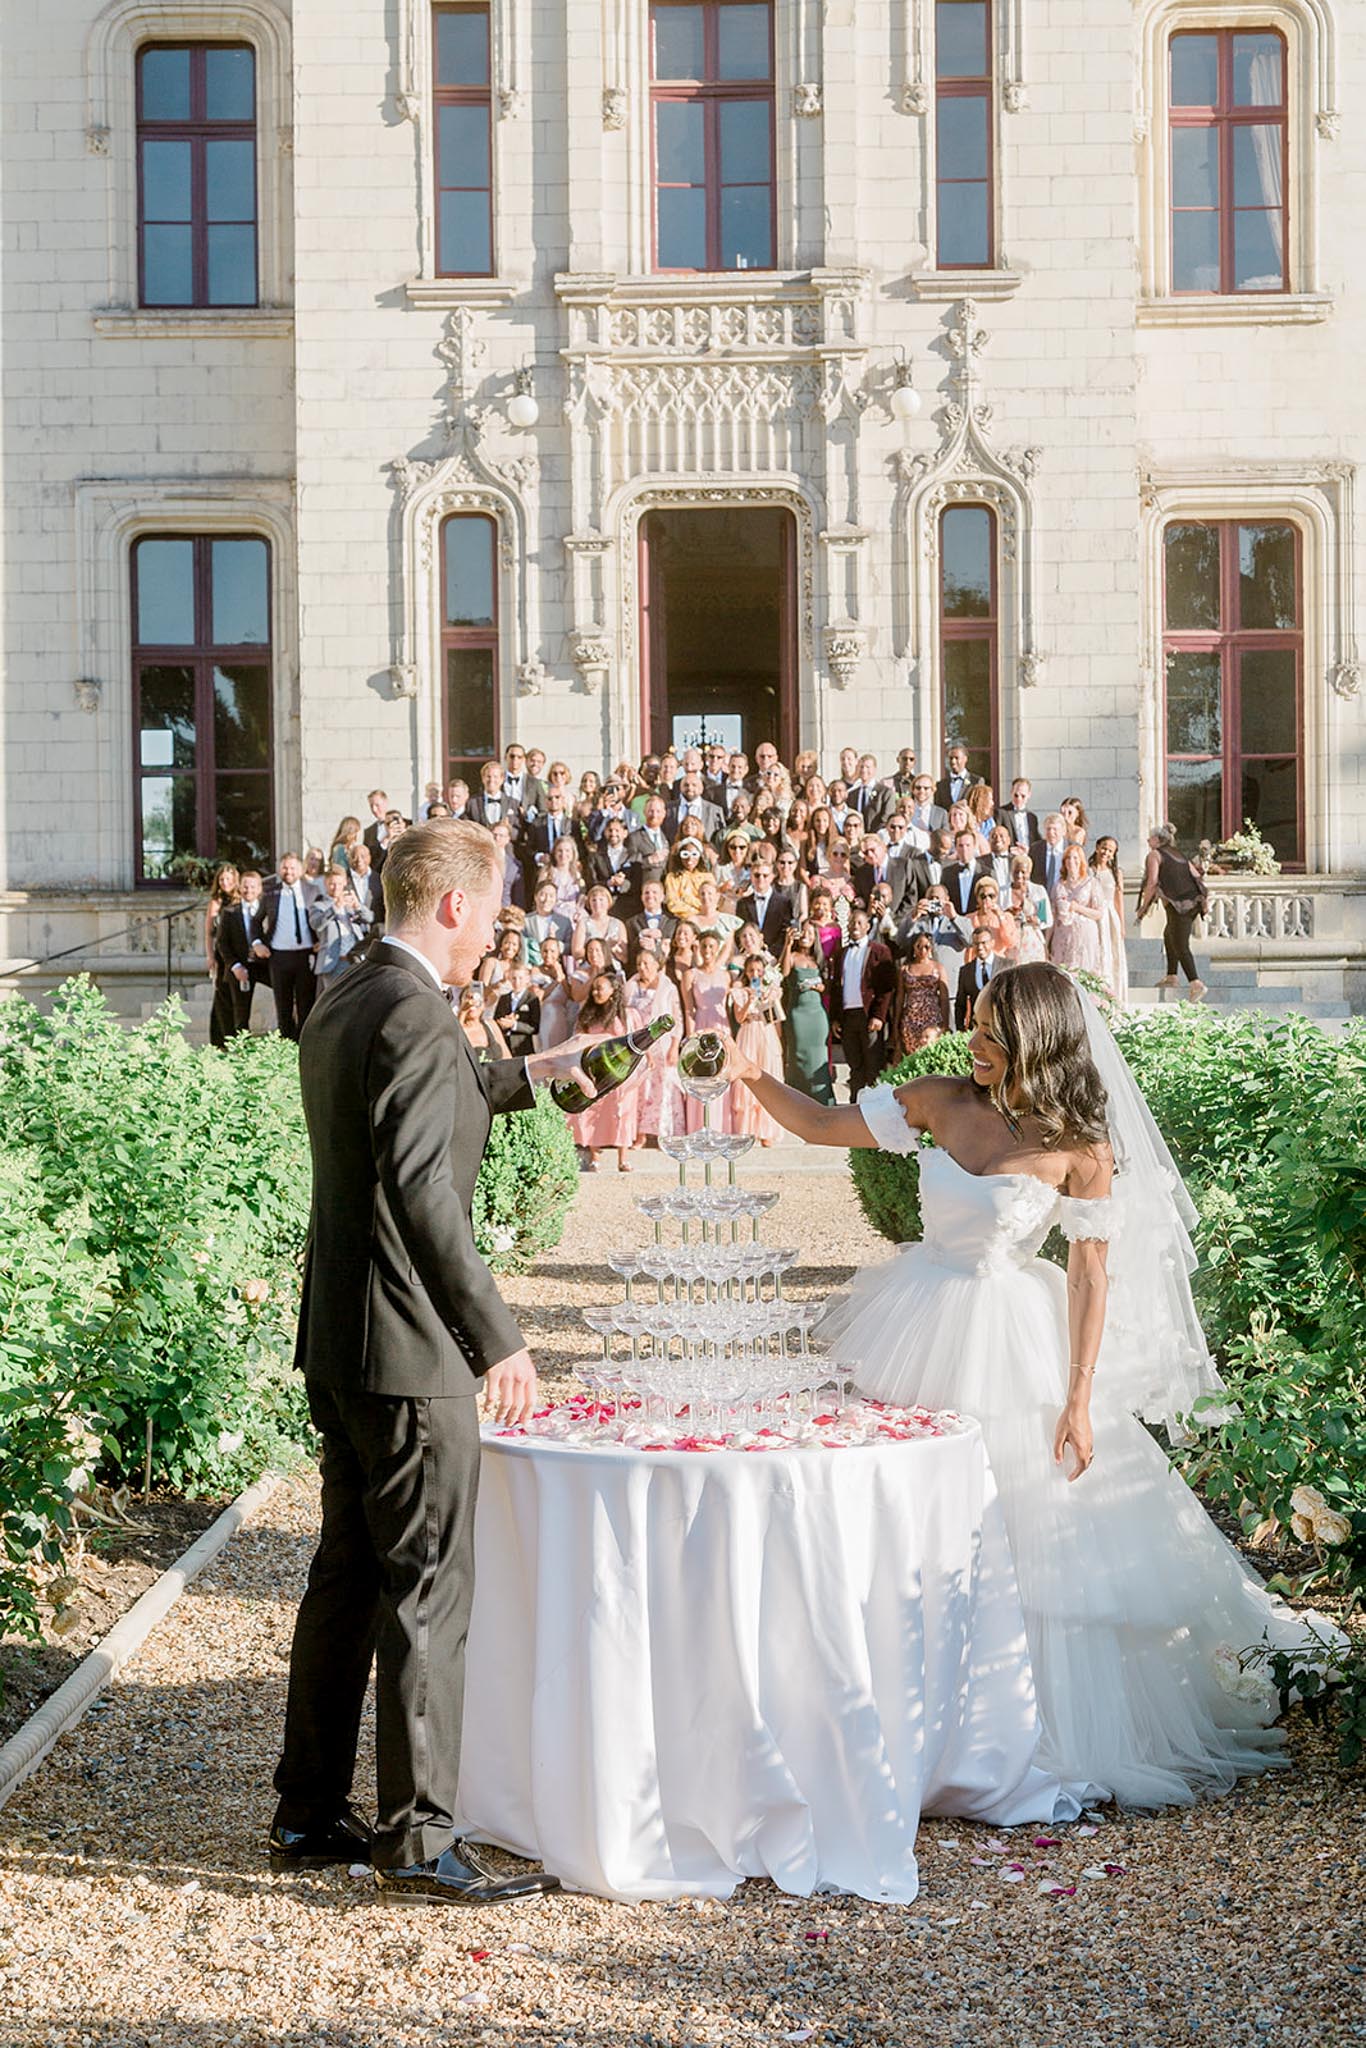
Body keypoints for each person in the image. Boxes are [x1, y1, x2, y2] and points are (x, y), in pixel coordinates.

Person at [727, 961, 1336, 1805]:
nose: (971, 1044)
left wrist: (1080, 1397)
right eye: (973, 1025)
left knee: (1016, 1528)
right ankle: (885, 1713)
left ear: (1037, 1044)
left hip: (1013, 1338)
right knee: (897, 1507)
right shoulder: (938, 1099)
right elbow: (821, 1124)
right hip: (913, 1323)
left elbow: (1090, 1276)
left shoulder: (1081, 1148)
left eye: (990, 1034)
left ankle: (1008, 1725)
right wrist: (747, 1070)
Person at [271, 820, 594, 1904]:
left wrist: (530, 1075)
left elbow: (404, 1110)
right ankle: (416, 1842)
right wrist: (498, 1336)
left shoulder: (353, 989)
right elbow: (417, 1189)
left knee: (347, 1576)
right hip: (410, 1348)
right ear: (452, 903)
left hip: (344, 1337)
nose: (494, 934)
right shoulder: (413, 1008)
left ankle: (308, 1811)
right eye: (494, 912)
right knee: (427, 1591)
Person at [567, 972, 637, 1172]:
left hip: (620, 1071)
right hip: (594, 1069)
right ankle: (594, 1156)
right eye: (594, 988)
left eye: (601, 988)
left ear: (613, 991)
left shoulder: (627, 1015)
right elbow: (577, 1038)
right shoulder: (587, 1013)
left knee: (622, 1111)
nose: (596, 992)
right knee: (592, 1111)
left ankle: (623, 1158)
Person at [1136, 823, 1208, 1002]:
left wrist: (1143, 909)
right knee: (1169, 935)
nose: (1147, 840)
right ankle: (1171, 976)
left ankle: (1196, 983)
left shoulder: (1155, 855)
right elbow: (1197, 877)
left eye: (1150, 837)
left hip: (1180, 905)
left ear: (1158, 840)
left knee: (1180, 944)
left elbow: (1152, 883)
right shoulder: (1179, 855)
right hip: (1191, 903)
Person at [831, 905, 894, 1101]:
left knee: (873, 1064)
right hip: (849, 1016)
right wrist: (835, 1018)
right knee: (854, 1064)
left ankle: (876, 1107)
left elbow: (886, 987)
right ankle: (854, 1106)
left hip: (869, 1016)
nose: (855, 926)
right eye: (851, 923)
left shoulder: (879, 951)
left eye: (859, 922)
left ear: (867, 926)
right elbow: (835, 988)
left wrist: (879, 1015)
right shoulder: (841, 954)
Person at [624, 948, 683, 1147]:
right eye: (640, 964)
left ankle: (662, 1132)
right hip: (639, 1043)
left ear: (657, 965)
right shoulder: (631, 986)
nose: (642, 968)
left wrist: (675, 1045)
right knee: (642, 1088)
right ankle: (639, 1133)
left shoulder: (668, 987)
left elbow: (677, 1017)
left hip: (663, 1043)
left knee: (663, 1087)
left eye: (647, 964)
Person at [258, 852, 318, 1040]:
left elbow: (323, 916)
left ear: (300, 870)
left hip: (306, 955)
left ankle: (304, 1044)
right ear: (279, 869)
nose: (288, 871)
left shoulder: (312, 890)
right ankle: (285, 1045)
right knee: (283, 1005)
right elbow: (255, 921)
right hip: (279, 956)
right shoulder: (270, 892)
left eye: (292, 867)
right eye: (285, 867)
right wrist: (257, 943)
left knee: (305, 1004)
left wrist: (321, 941)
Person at [727, 955, 785, 1145]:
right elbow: (739, 1018)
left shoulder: (772, 990)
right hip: (748, 1033)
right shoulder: (740, 991)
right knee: (746, 1082)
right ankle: (747, 1129)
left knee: (767, 1075)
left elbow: (776, 1018)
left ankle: (767, 1131)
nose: (755, 974)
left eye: (759, 971)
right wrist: (749, 999)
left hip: (766, 1033)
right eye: (751, 970)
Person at [779, 921, 834, 1103]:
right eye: (803, 932)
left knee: (819, 1056)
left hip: (817, 1014)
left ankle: (822, 1098)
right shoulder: (793, 956)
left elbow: (827, 984)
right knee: (798, 1055)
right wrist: (787, 944)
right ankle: (797, 1100)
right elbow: (784, 972)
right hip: (798, 1014)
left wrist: (820, 987)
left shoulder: (817, 960)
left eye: (810, 933)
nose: (806, 936)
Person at [212, 868, 266, 1040]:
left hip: (265, 965)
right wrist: (234, 966)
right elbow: (222, 943)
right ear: (240, 888)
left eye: (252, 887)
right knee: (241, 1012)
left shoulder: (268, 909)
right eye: (245, 886)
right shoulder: (229, 912)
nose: (248, 890)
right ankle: (241, 1048)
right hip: (240, 967)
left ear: (259, 889)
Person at [309, 866, 375, 989]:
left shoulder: (350, 904)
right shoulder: (318, 906)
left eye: (339, 883)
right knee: (334, 1001)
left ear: (345, 882)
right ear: (325, 883)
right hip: (333, 962)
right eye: (332, 884)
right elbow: (316, 924)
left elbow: (370, 918)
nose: (336, 887)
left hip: (354, 960)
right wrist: (335, 907)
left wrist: (358, 907)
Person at [892, 930, 951, 1055]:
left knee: (931, 1054)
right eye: (919, 946)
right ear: (913, 947)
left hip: (932, 1020)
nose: (922, 950)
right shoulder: (905, 969)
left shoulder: (938, 968)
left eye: (926, 947)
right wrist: (896, 1023)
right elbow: (900, 998)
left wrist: (945, 1024)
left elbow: (944, 999)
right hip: (910, 1020)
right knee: (912, 1056)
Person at [1049, 845, 1105, 974]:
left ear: (1081, 861)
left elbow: (1099, 913)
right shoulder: (1058, 885)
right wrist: (1047, 941)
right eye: (1068, 858)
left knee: (1083, 972)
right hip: (1063, 934)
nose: (1071, 861)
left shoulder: (1091, 883)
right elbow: (1053, 913)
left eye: (1075, 858)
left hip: (1084, 933)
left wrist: (1078, 908)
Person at [205, 863, 241, 1048]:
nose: (225, 882)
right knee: (221, 994)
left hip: (237, 952)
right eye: (221, 879)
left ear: (235, 880)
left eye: (228, 879)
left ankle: (236, 1036)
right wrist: (210, 956)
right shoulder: (216, 902)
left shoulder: (240, 899)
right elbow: (209, 932)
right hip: (221, 954)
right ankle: (220, 1040)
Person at [1091, 836, 1130, 1005]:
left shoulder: (1116, 873)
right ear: (1097, 847)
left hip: (1109, 916)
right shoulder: (1088, 870)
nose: (1106, 852)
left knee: (1111, 952)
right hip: (1092, 915)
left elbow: (1118, 899)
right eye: (1104, 848)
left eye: (1110, 850)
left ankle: (1114, 994)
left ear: (1113, 855)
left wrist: (1121, 924)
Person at [954, 925, 1001, 1030]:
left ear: (992, 943)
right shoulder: (966, 971)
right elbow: (960, 1004)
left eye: (984, 943)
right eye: (976, 944)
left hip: (1000, 1026)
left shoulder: (1007, 966)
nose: (980, 947)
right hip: (977, 1028)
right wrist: (960, 1030)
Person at [532, 934, 574, 1050]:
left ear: (558, 953)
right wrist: (555, 981)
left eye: (552, 951)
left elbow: (571, 996)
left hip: (562, 1016)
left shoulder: (564, 970)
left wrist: (561, 976)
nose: (548, 955)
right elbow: (538, 997)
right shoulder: (536, 970)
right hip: (544, 1015)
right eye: (545, 951)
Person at [493, 963, 541, 1059]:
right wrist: (503, 1022)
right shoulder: (503, 998)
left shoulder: (532, 999)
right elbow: (496, 1019)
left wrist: (514, 1025)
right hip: (504, 1045)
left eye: (520, 978)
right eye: (514, 978)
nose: (517, 982)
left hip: (522, 1047)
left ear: (527, 979)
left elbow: (534, 1027)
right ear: (509, 979)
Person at [933, 743, 980, 812]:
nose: (953, 761)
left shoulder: (976, 781)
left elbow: (979, 807)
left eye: (956, 758)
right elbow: (938, 810)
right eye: (951, 758)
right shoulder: (940, 785)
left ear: (965, 759)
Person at [998, 777, 1040, 850]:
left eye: (1023, 796)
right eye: (1016, 795)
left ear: (1029, 795)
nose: (1019, 799)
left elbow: (1035, 839)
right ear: (1011, 792)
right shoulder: (1002, 812)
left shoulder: (1032, 817)